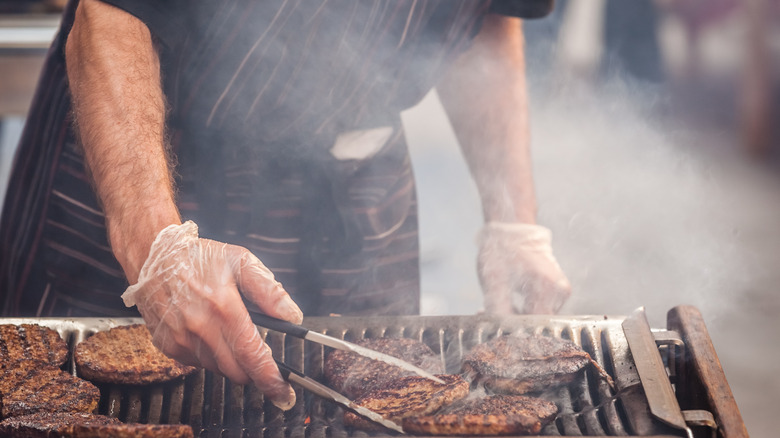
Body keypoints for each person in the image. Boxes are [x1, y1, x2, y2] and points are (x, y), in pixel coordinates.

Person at [0, 0, 571, 409]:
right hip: (156, 167)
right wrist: (158, 249)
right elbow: (109, 16)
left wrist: (513, 222)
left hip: (356, 192)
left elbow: (491, 19)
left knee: (371, 399)